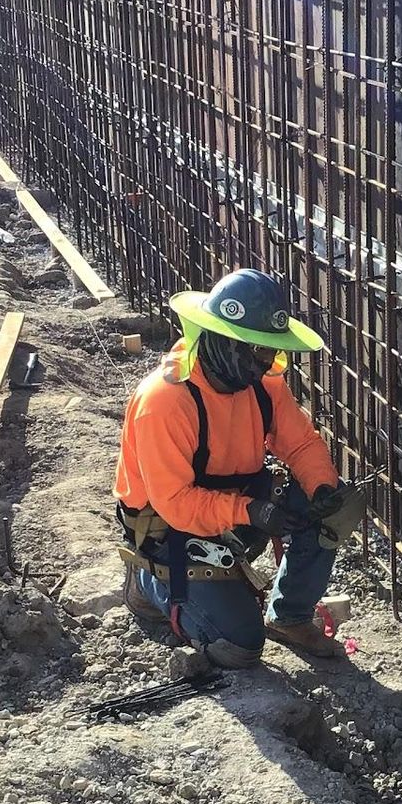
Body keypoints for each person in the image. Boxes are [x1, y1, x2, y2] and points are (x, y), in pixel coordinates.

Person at [114, 268, 366, 668]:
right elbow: (176, 504)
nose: (267, 362)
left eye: (271, 351)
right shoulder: (166, 401)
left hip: (236, 512)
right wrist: (251, 511)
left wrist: (321, 488)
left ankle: (289, 616)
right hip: (172, 532)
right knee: (239, 646)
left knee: (337, 504)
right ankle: (148, 581)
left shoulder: (263, 385)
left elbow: (299, 442)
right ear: (224, 341)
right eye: (258, 350)